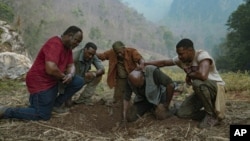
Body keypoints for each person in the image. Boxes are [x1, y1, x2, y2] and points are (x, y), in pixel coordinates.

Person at [0, 26, 84, 120]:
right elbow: (51, 69)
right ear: (69, 36)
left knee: (78, 81)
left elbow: (71, 65)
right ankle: (6, 111)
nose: (77, 44)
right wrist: (64, 77)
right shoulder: (55, 44)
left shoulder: (68, 49)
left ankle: (55, 105)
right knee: (42, 115)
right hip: (40, 82)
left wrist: (70, 75)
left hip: (54, 80)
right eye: (76, 41)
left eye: (79, 43)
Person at [145, 38, 226, 128]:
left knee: (197, 83)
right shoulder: (182, 60)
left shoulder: (202, 56)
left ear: (190, 50)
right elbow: (164, 63)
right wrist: (145, 64)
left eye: (181, 54)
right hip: (202, 91)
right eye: (178, 54)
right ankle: (214, 115)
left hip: (216, 89)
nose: (179, 56)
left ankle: (210, 116)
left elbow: (203, 76)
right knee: (182, 113)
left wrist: (190, 75)